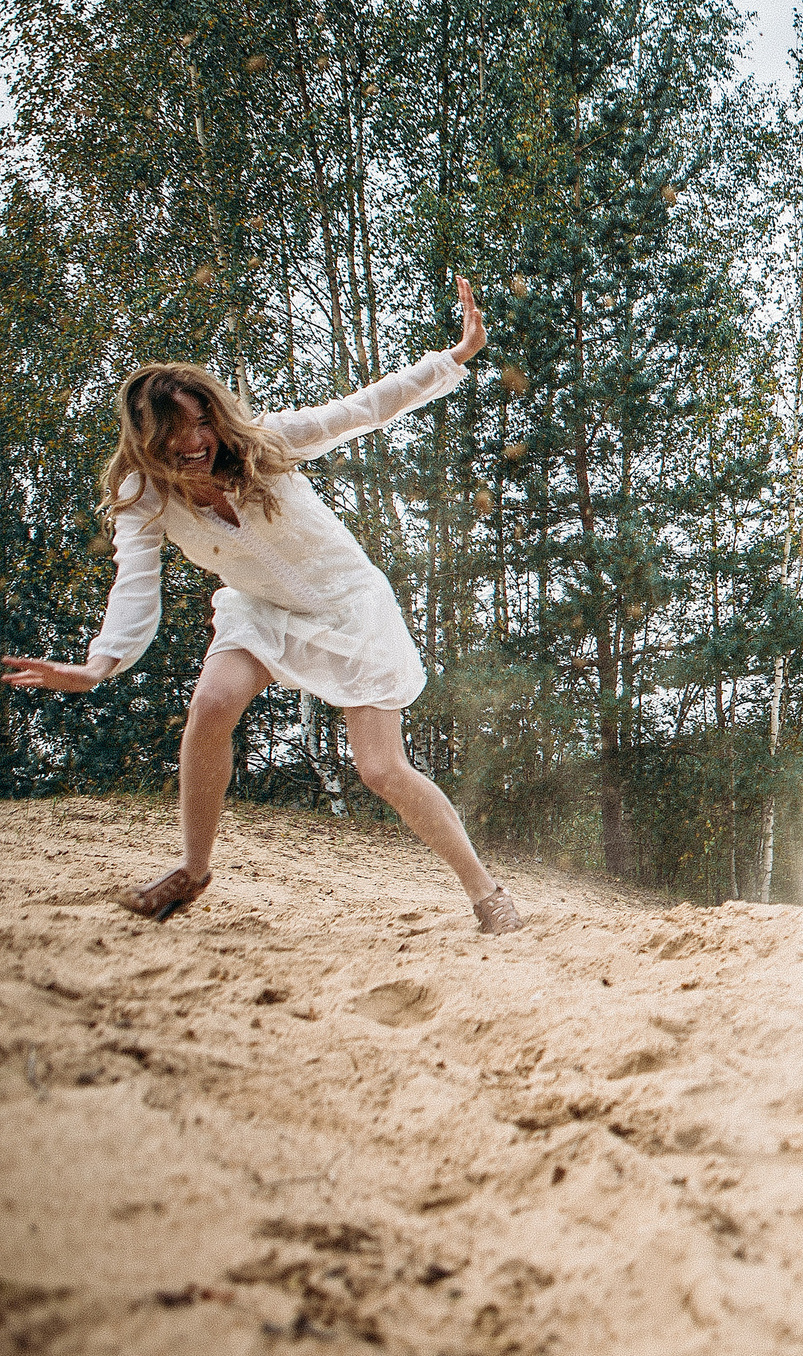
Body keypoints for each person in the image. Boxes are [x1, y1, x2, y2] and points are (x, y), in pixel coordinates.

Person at [3, 276, 524, 935]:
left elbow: (363, 408)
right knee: (212, 704)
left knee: (381, 768)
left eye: (202, 421)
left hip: (351, 608)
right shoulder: (143, 495)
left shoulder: (267, 443)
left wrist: (452, 358)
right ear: (147, 436)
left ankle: (487, 893)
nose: (195, 440)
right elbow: (133, 585)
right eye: (175, 428)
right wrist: (99, 663)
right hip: (260, 608)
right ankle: (192, 872)